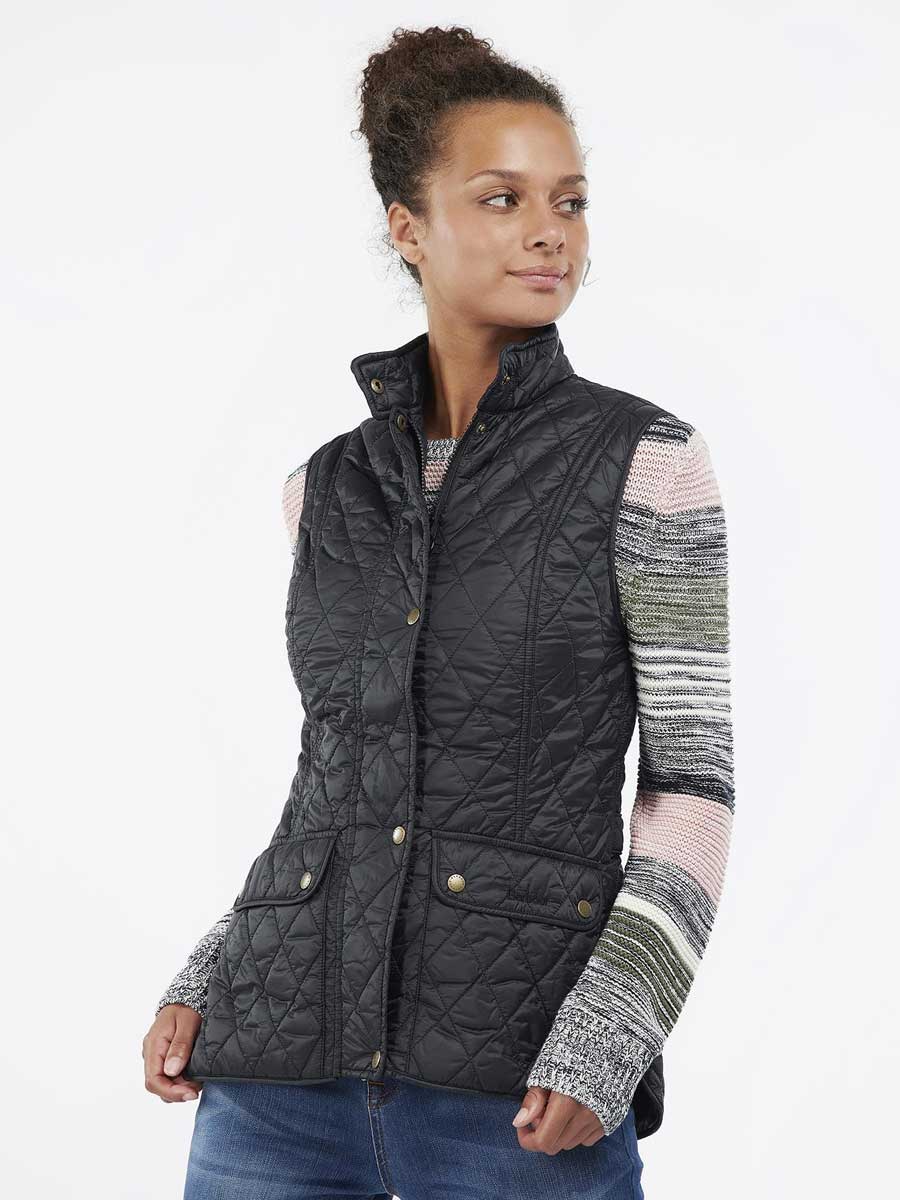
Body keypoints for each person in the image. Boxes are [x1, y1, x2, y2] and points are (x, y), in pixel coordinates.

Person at [143, 24, 734, 1200]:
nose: (549, 232)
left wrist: (612, 1035)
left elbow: (693, 788)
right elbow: (336, 775)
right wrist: (213, 971)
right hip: (275, 1084)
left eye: (569, 201)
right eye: (502, 198)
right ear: (408, 229)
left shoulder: (646, 463)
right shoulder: (323, 490)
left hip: (519, 1092)